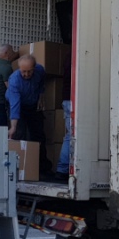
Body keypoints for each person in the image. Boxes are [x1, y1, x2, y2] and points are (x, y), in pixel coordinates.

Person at [6, 54, 54, 178]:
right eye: (23, 71)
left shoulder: (40, 70)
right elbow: (15, 105)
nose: (26, 74)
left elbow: (41, 83)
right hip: (19, 107)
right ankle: (17, 170)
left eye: (29, 71)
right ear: (19, 69)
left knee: (39, 136)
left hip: (32, 106)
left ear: (34, 68)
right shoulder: (14, 80)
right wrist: (13, 127)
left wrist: (41, 95)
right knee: (19, 135)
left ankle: (43, 169)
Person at [56, 52, 72, 181]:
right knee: (72, 136)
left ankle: (63, 169)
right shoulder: (77, 55)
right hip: (73, 99)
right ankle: (63, 168)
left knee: (70, 135)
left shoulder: (69, 57)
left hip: (67, 99)